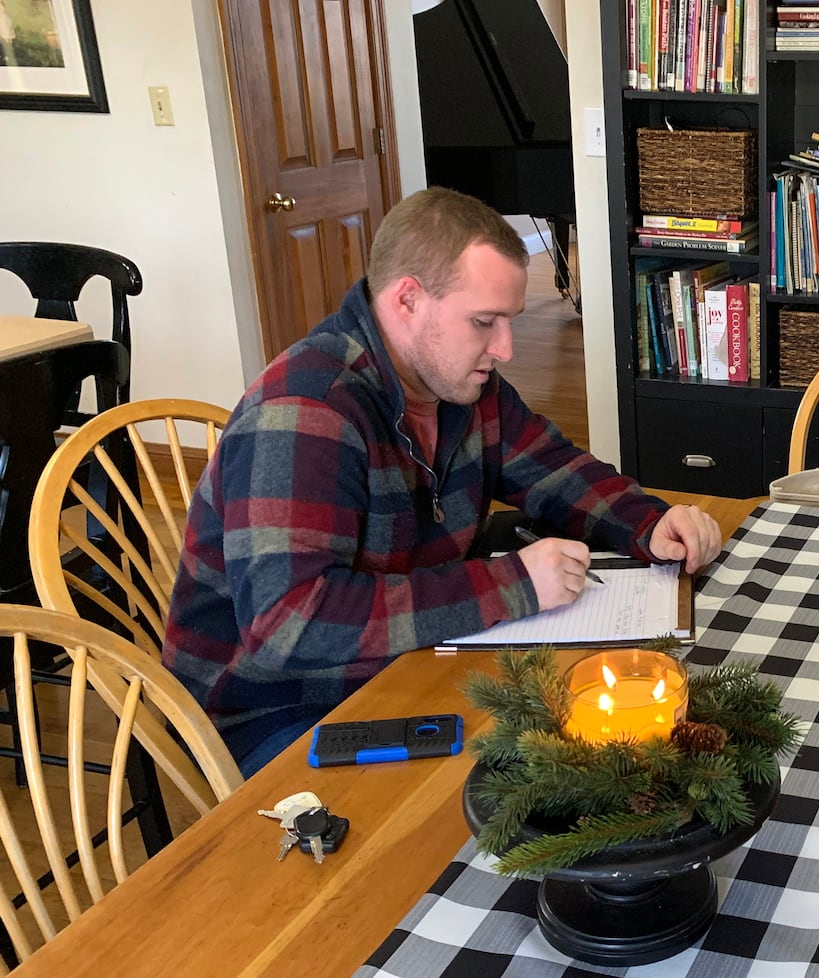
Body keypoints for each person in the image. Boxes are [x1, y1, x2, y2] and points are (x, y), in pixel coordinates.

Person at [163, 187, 722, 777]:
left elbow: (554, 472)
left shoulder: (459, 384)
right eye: (484, 322)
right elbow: (288, 626)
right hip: (278, 714)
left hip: (410, 659)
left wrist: (647, 520)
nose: (504, 348)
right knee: (537, 784)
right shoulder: (304, 413)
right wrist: (513, 584)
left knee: (588, 752)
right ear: (407, 299)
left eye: (509, 321)